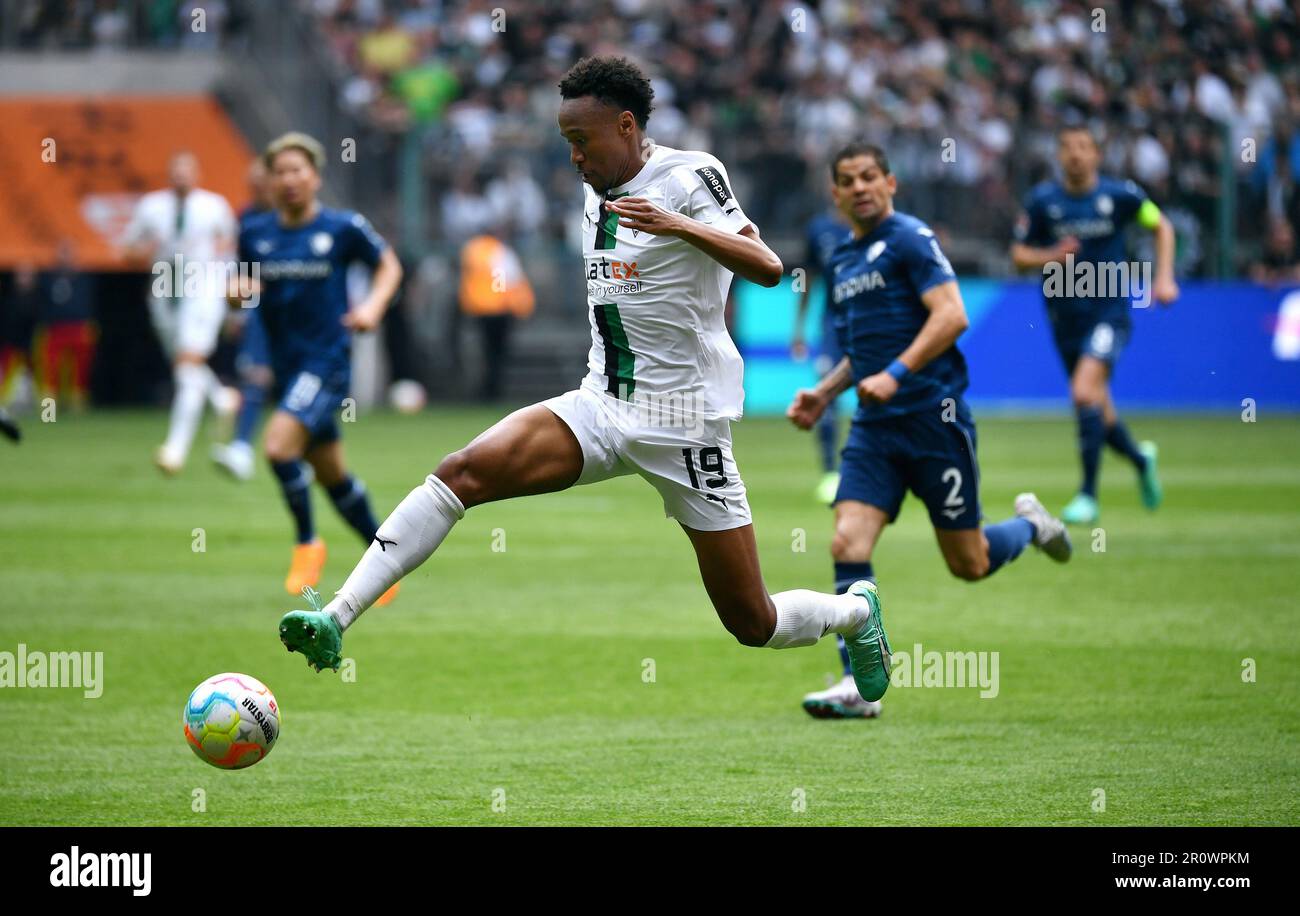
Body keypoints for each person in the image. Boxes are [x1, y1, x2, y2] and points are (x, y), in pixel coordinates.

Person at [277, 57, 892, 714]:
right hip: (601, 404)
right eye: (566, 141)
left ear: (627, 127)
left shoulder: (690, 176)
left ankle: (855, 613)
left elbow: (769, 267)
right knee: (461, 473)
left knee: (753, 623)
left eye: (582, 141)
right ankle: (335, 618)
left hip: (685, 422)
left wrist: (681, 225)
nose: (573, 158)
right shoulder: (594, 183)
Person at [788, 142, 1072, 720]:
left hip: (934, 421)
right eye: (848, 180)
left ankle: (1030, 527)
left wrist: (897, 373)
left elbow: (952, 315)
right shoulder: (842, 260)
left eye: (870, 176)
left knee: (968, 563)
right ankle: (854, 684)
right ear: (835, 194)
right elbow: (862, 354)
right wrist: (824, 393)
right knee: (847, 543)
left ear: (891, 183)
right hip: (874, 429)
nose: (861, 187)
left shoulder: (912, 239)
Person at [232, 132, 404, 598]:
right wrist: (236, 292)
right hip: (288, 369)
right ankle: (384, 560)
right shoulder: (254, 233)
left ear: (314, 177)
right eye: (280, 172)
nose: (288, 180)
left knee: (277, 448)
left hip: (326, 364)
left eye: (297, 171)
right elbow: (242, 283)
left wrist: (371, 307)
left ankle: (308, 543)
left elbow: (389, 266)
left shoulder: (342, 228)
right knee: (333, 476)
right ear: (269, 181)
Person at [1010, 125, 1178, 525]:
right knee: (1096, 408)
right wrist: (1051, 255)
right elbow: (1018, 256)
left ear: (1096, 155)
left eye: (1084, 147)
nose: (1075, 154)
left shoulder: (1120, 196)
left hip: (1109, 313)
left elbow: (1162, 226)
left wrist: (1164, 277)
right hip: (1063, 319)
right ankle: (1140, 460)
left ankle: (1087, 495)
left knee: (1084, 392)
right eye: (1067, 147)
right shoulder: (1042, 202)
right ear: (1059, 155)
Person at [122, 151, 239, 474]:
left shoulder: (214, 206)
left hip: (203, 289)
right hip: (164, 290)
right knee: (185, 365)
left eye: (187, 172)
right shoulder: (152, 207)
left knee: (186, 367)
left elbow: (230, 251)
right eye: (176, 172)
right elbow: (127, 248)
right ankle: (220, 398)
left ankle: (175, 449)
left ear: (197, 174)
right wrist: (142, 252)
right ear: (169, 174)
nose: (181, 178)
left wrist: (231, 302)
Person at [212, 158, 276, 480]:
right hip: (260, 312)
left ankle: (303, 450)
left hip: (297, 314)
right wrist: (235, 309)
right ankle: (241, 448)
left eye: (261, 182)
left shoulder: (293, 218)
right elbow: (239, 271)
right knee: (255, 375)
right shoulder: (245, 221)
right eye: (252, 184)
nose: (256, 189)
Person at [791, 208, 854, 504]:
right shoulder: (819, 230)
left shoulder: (882, 225)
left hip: (873, 322)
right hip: (834, 326)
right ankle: (831, 473)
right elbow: (808, 278)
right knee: (826, 396)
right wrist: (799, 329)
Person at [458, 229, 535, 401]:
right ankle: (492, 391)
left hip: (478, 309)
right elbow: (505, 277)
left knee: (486, 352)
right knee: (497, 354)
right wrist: (507, 302)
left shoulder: (472, 249)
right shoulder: (499, 251)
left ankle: (486, 390)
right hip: (498, 310)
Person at [37, 241, 97, 412]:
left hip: (78, 328)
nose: (66, 257)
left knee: (80, 371)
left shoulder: (83, 277)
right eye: (63, 252)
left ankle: (77, 409)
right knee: (51, 371)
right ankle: (48, 412)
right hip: (55, 328)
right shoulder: (48, 278)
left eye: (69, 252)